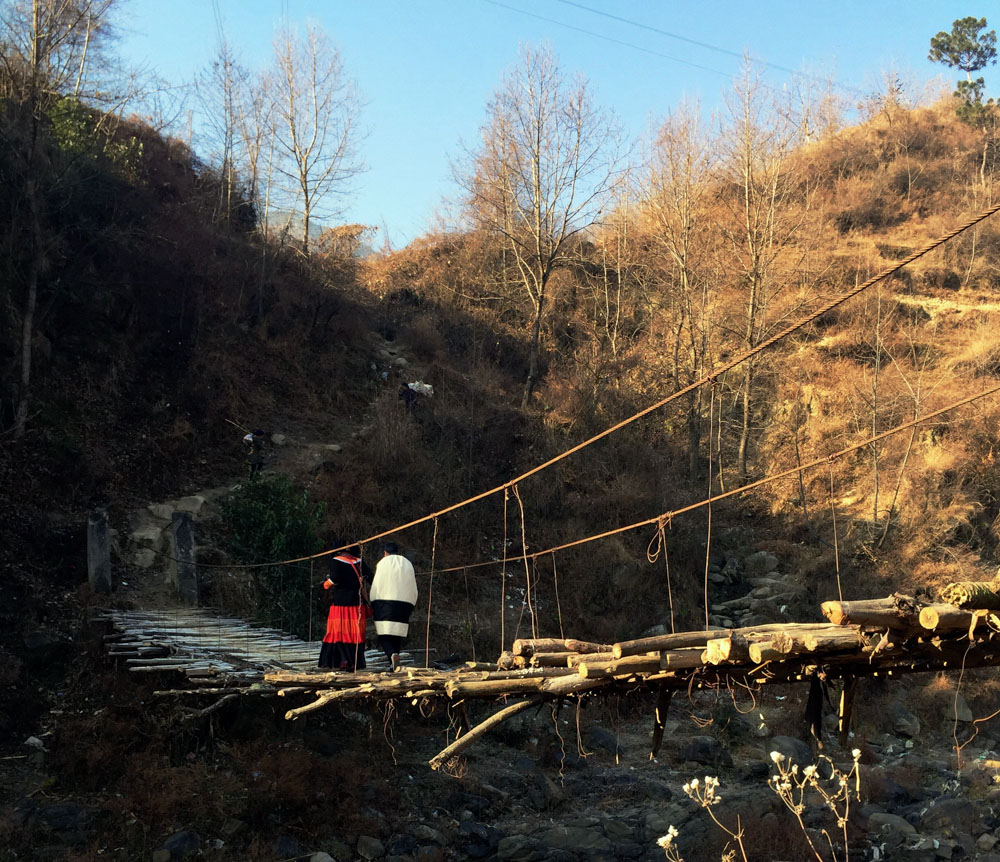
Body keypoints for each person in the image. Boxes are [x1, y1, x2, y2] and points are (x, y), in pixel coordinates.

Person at [318, 543, 373, 672]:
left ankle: (339, 661)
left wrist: (325, 584)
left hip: (340, 604)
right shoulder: (359, 562)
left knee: (337, 632)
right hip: (356, 605)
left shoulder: (336, 561)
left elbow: (334, 578)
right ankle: (355, 662)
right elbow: (371, 577)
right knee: (354, 633)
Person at [370, 542, 418, 672]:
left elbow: (377, 584)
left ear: (385, 553)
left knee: (384, 633)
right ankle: (394, 661)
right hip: (405, 603)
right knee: (397, 632)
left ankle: (391, 654)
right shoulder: (407, 563)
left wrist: (372, 601)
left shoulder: (382, 563)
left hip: (385, 602)